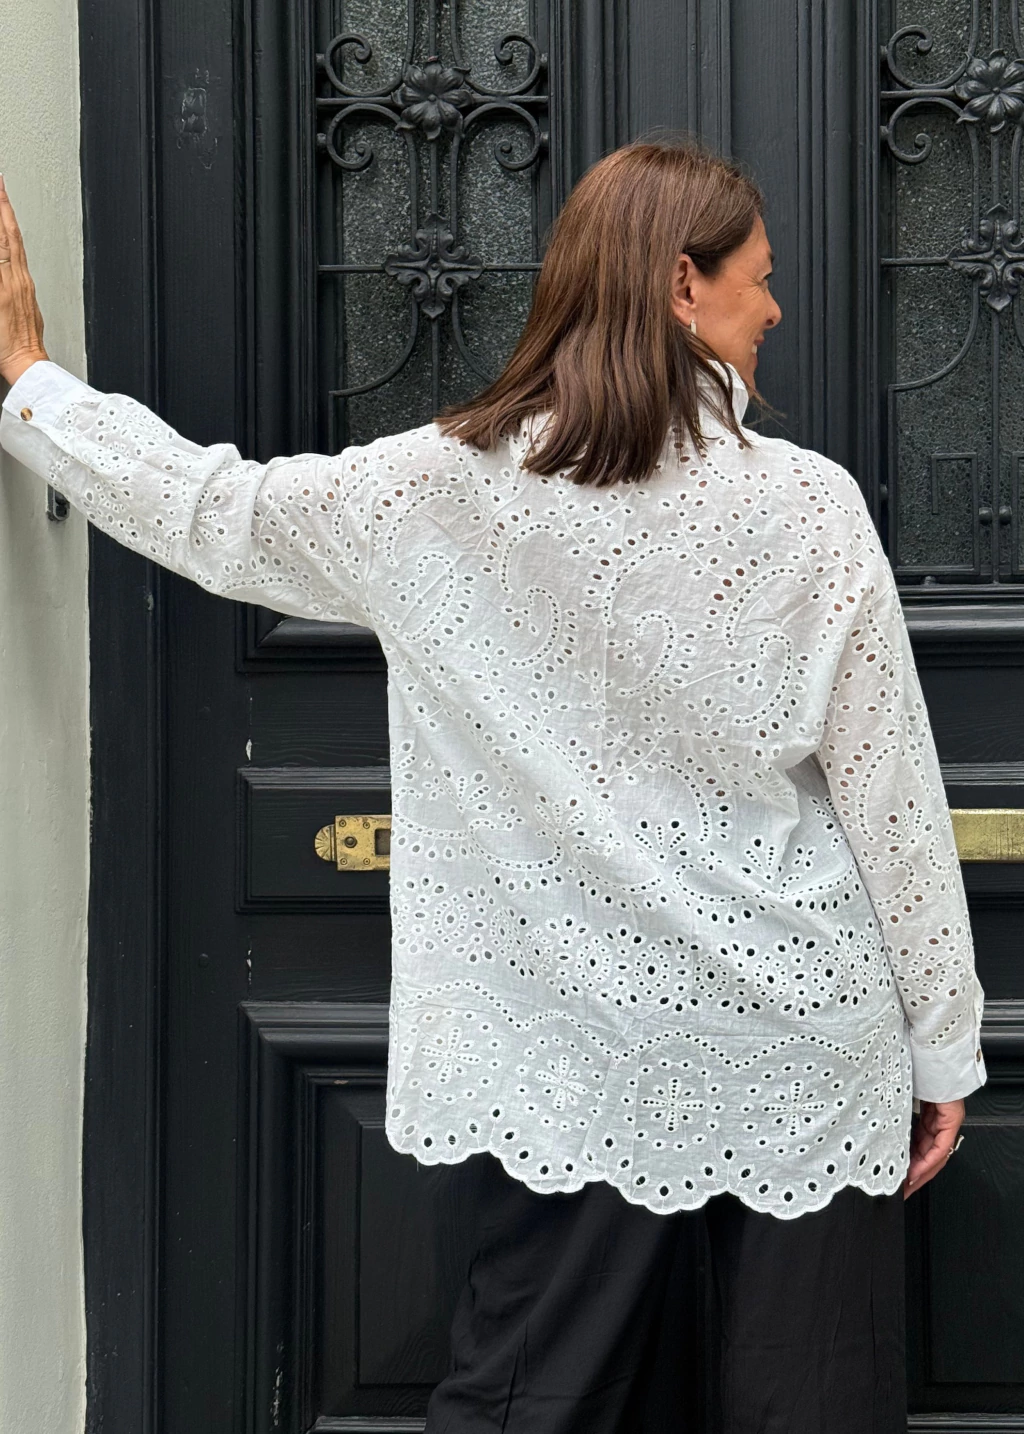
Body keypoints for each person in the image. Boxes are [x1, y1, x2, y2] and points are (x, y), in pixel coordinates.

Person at [0, 138, 986, 1432]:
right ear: (681, 285)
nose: (778, 308)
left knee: (536, 1402)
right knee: (808, 1407)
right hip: (798, 1047)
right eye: (759, 277)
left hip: (567, 1061)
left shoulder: (437, 488)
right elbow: (891, 805)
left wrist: (31, 387)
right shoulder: (809, 507)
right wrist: (942, 1047)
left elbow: (211, 510)